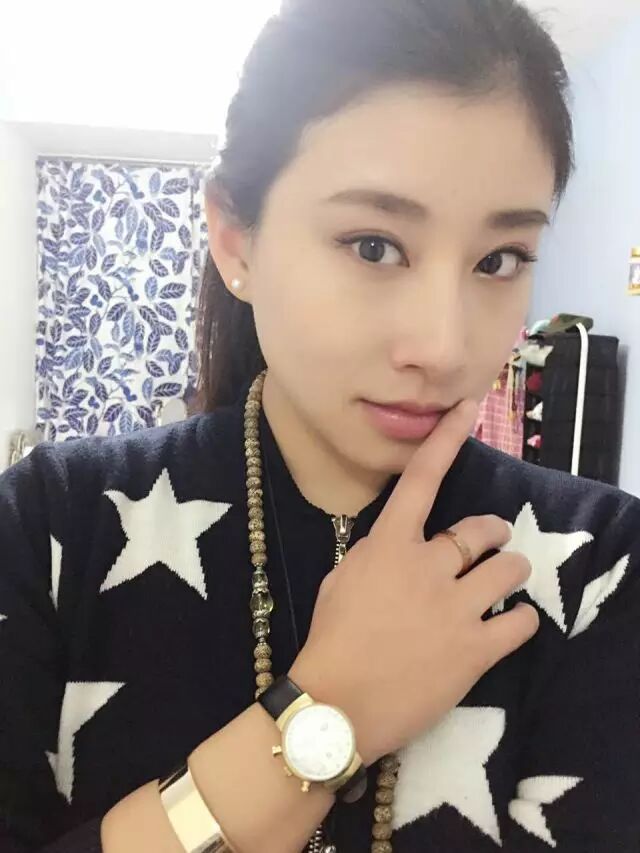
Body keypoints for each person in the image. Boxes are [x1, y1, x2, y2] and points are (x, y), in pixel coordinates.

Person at [1, 0, 639, 851]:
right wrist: (330, 711)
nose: (444, 346)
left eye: (499, 259)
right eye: (374, 245)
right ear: (237, 239)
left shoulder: (600, 566)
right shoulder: (48, 527)